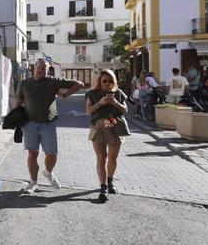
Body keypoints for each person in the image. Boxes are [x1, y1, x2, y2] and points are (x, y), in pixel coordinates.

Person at [15, 59, 83, 193]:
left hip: (48, 124)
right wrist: (16, 120)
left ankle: (48, 172)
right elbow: (19, 103)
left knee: (51, 154)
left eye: (44, 69)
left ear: (48, 70)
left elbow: (79, 84)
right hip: (29, 124)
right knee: (32, 153)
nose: (41, 70)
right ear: (34, 68)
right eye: (39, 68)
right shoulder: (24, 83)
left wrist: (64, 95)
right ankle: (33, 183)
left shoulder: (53, 81)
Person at [85, 69, 129, 202]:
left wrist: (115, 102)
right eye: (104, 81)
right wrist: (100, 103)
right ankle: (103, 187)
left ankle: (110, 181)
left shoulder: (119, 93)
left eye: (111, 81)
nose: (108, 84)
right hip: (98, 127)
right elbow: (88, 111)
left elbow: (125, 110)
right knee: (101, 158)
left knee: (112, 158)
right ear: (99, 81)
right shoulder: (92, 93)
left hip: (115, 126)